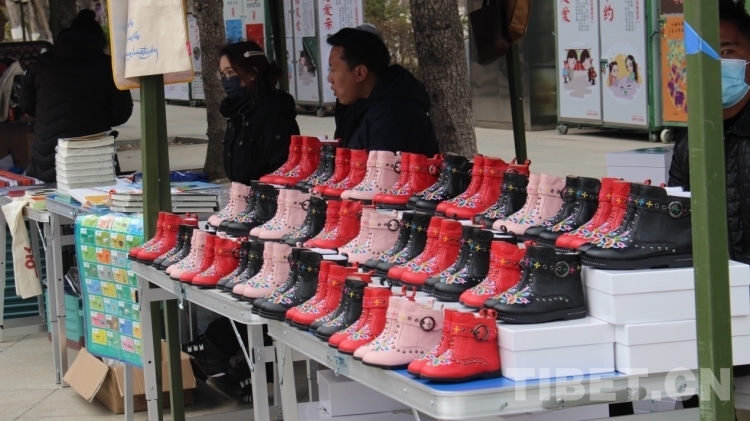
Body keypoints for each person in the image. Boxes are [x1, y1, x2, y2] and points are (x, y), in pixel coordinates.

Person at [20, 9, 133, 183]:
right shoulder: (108, 66)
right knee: (96, 197)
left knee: (46, 196)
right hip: (95, 152)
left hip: (49, 153)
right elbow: (121, 113)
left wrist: (49, 116)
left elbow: (26, 104)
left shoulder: (42, 63)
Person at [327, 24, 439, 155]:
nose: (329, 78)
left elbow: (384, 167)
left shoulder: (395, 116)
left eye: (333, 69)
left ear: (360, 73)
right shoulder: (356, 107)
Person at [219, 41, 300, 185]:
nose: (226, 80)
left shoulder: (272, 111)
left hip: (267, 195)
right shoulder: (239, 111)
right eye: (222, 74)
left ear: (253, 73)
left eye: (231, 72)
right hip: (242, 193)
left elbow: (283, 167)